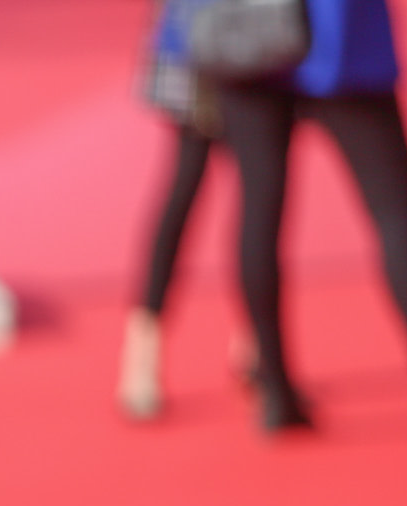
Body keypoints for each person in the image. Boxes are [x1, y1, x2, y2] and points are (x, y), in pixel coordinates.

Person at [215, 0, 407, 430]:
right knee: (396, 212)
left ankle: (274, 388)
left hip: (246, 34)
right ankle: (273, 384)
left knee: (258, 208)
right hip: (339, 37)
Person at [121, 0, 248, 420]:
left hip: (261, 33)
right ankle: (143, 352)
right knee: (188, 186)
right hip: (207, 33)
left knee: (259, 191)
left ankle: (255, 339)